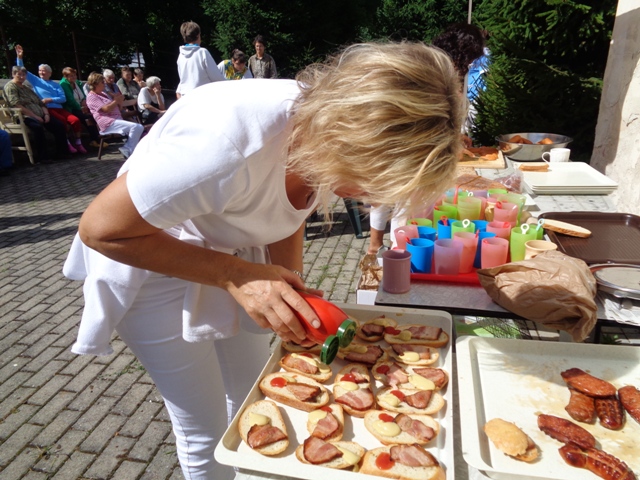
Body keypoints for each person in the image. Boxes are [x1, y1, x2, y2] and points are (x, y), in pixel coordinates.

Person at [63, 42, 462, 479]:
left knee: (253, 394)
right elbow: (100, 229)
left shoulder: (323, 131)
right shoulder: (226, 145)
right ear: (350, 133)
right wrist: (237, 277)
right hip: (151, 257)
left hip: (235, 255)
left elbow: (283, 210)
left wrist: (289, 281)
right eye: (372, 180)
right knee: (204, 429)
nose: (371, 197)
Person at [366, 23, 486, 255]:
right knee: (403, 196)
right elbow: (430, 112)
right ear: (464, 51)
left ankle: (383, 247)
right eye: (471, 58)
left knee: (393, 193)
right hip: (403, 134)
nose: (471, 64)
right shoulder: (436, 68)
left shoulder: (435, 61)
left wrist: (455, 135)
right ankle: (396, 250)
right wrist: (448, 140)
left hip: (399, 132)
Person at [15, 45, 87, 154]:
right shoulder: (36, 81)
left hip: (59, 108)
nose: (41, 72)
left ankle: (78, 142)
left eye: (44, 71)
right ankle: (67, 143)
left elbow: (62, 98)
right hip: (47, 109)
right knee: (62, 121)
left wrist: (50, 99)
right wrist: (19, 57)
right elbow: (22, 69)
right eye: (40, 71)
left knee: (75, 120)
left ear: (50, 73)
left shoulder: (56, 85)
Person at [3, 66, 69, 162]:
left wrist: (46, 114)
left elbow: (40, 102)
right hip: (23, 116)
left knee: (58, 125)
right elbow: (16, 105)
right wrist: (35, 116)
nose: (22, 77)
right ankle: (43, 157)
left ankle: (62, 153)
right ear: (13, 74)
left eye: (24, 75)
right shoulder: (11, 87)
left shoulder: (26, 88)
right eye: (19, 75)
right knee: (37, 127)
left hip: (40, 114)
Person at [85, 72, 144, 159]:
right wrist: (116, 101)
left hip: (116, 119)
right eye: (102, 82)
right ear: (95, 84)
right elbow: (106, 109)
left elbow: (117, 108)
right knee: (137, 127)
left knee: (138, 127)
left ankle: (129, 150)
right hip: (107, 122)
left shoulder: (103, 94)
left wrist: (119, 102)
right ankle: (127, 149)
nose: (104, 84)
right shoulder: (91, 96)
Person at [176, 21, 225, 99]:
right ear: (198, 35)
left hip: (185, 97)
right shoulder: (202, 52)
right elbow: (216, 77)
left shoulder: (181, 56)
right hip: (202, 96)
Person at [59, 66, 102, 148]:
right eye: (71, 76)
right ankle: (95, 140)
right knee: (87, 118)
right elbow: (70, 100)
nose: (74, 77)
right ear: (66, 77)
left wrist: (84, 101)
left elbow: (84, 95)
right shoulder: (64, 85)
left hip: (81, 107)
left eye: (75, 75)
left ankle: (97, 139)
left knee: (94, 114)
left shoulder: (77, 83)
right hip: (71, 109)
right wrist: (80, 108)